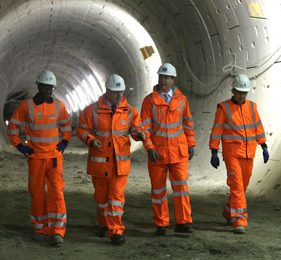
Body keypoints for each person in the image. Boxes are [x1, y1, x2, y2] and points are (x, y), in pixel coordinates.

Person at [76, 74, 152, 245]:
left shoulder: (130, 111)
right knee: (102, 199)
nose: (119, 96)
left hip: (120, 164)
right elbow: (81, 129)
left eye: (122, 92)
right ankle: (104, 225)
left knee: (116, 198)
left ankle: (116, 231)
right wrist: (90, 139)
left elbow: (137, 129)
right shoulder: (92, 111)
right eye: (116, 92)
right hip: (99, 164)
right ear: (107, 91)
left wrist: (140, 135)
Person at [7, 70, 72, 246]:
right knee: (37, 194)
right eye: (46, 87)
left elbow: (66, 125)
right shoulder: (26, 107)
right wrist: (20, 146)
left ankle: (58, 231)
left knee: (56, 193)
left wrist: (64, 142)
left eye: (51, 88)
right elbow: (13, 127)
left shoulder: (59, 106)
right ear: (38, 86)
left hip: (54, 158)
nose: (49, 91)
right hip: (35, 157)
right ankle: (40, 228)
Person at [209, 74, 269, 234]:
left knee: (243, 186)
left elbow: (258, 126)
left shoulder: (252, 107)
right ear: (233, 91)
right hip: (232, 154)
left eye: (244, 93)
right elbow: (217, 130)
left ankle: (229, 211)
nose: (242, 95)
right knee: (237, 186)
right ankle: (239, 220)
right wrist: (214, 151)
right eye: (239, 92)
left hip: (249, 153)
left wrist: (263, 145)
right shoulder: (224, 108)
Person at [140, 63, 197, 236]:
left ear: (173, 79)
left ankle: (183, 222)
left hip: (179, 152)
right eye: (161, 77)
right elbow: (144, 128)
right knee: (158, 190)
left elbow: (187, 122)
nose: (163, 80)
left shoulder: (181, 99)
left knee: (181, 188)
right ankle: (161, 224)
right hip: (158, 153)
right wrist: (149, 148)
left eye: (167, 77)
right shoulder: (149, 101)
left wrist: (191, 144)